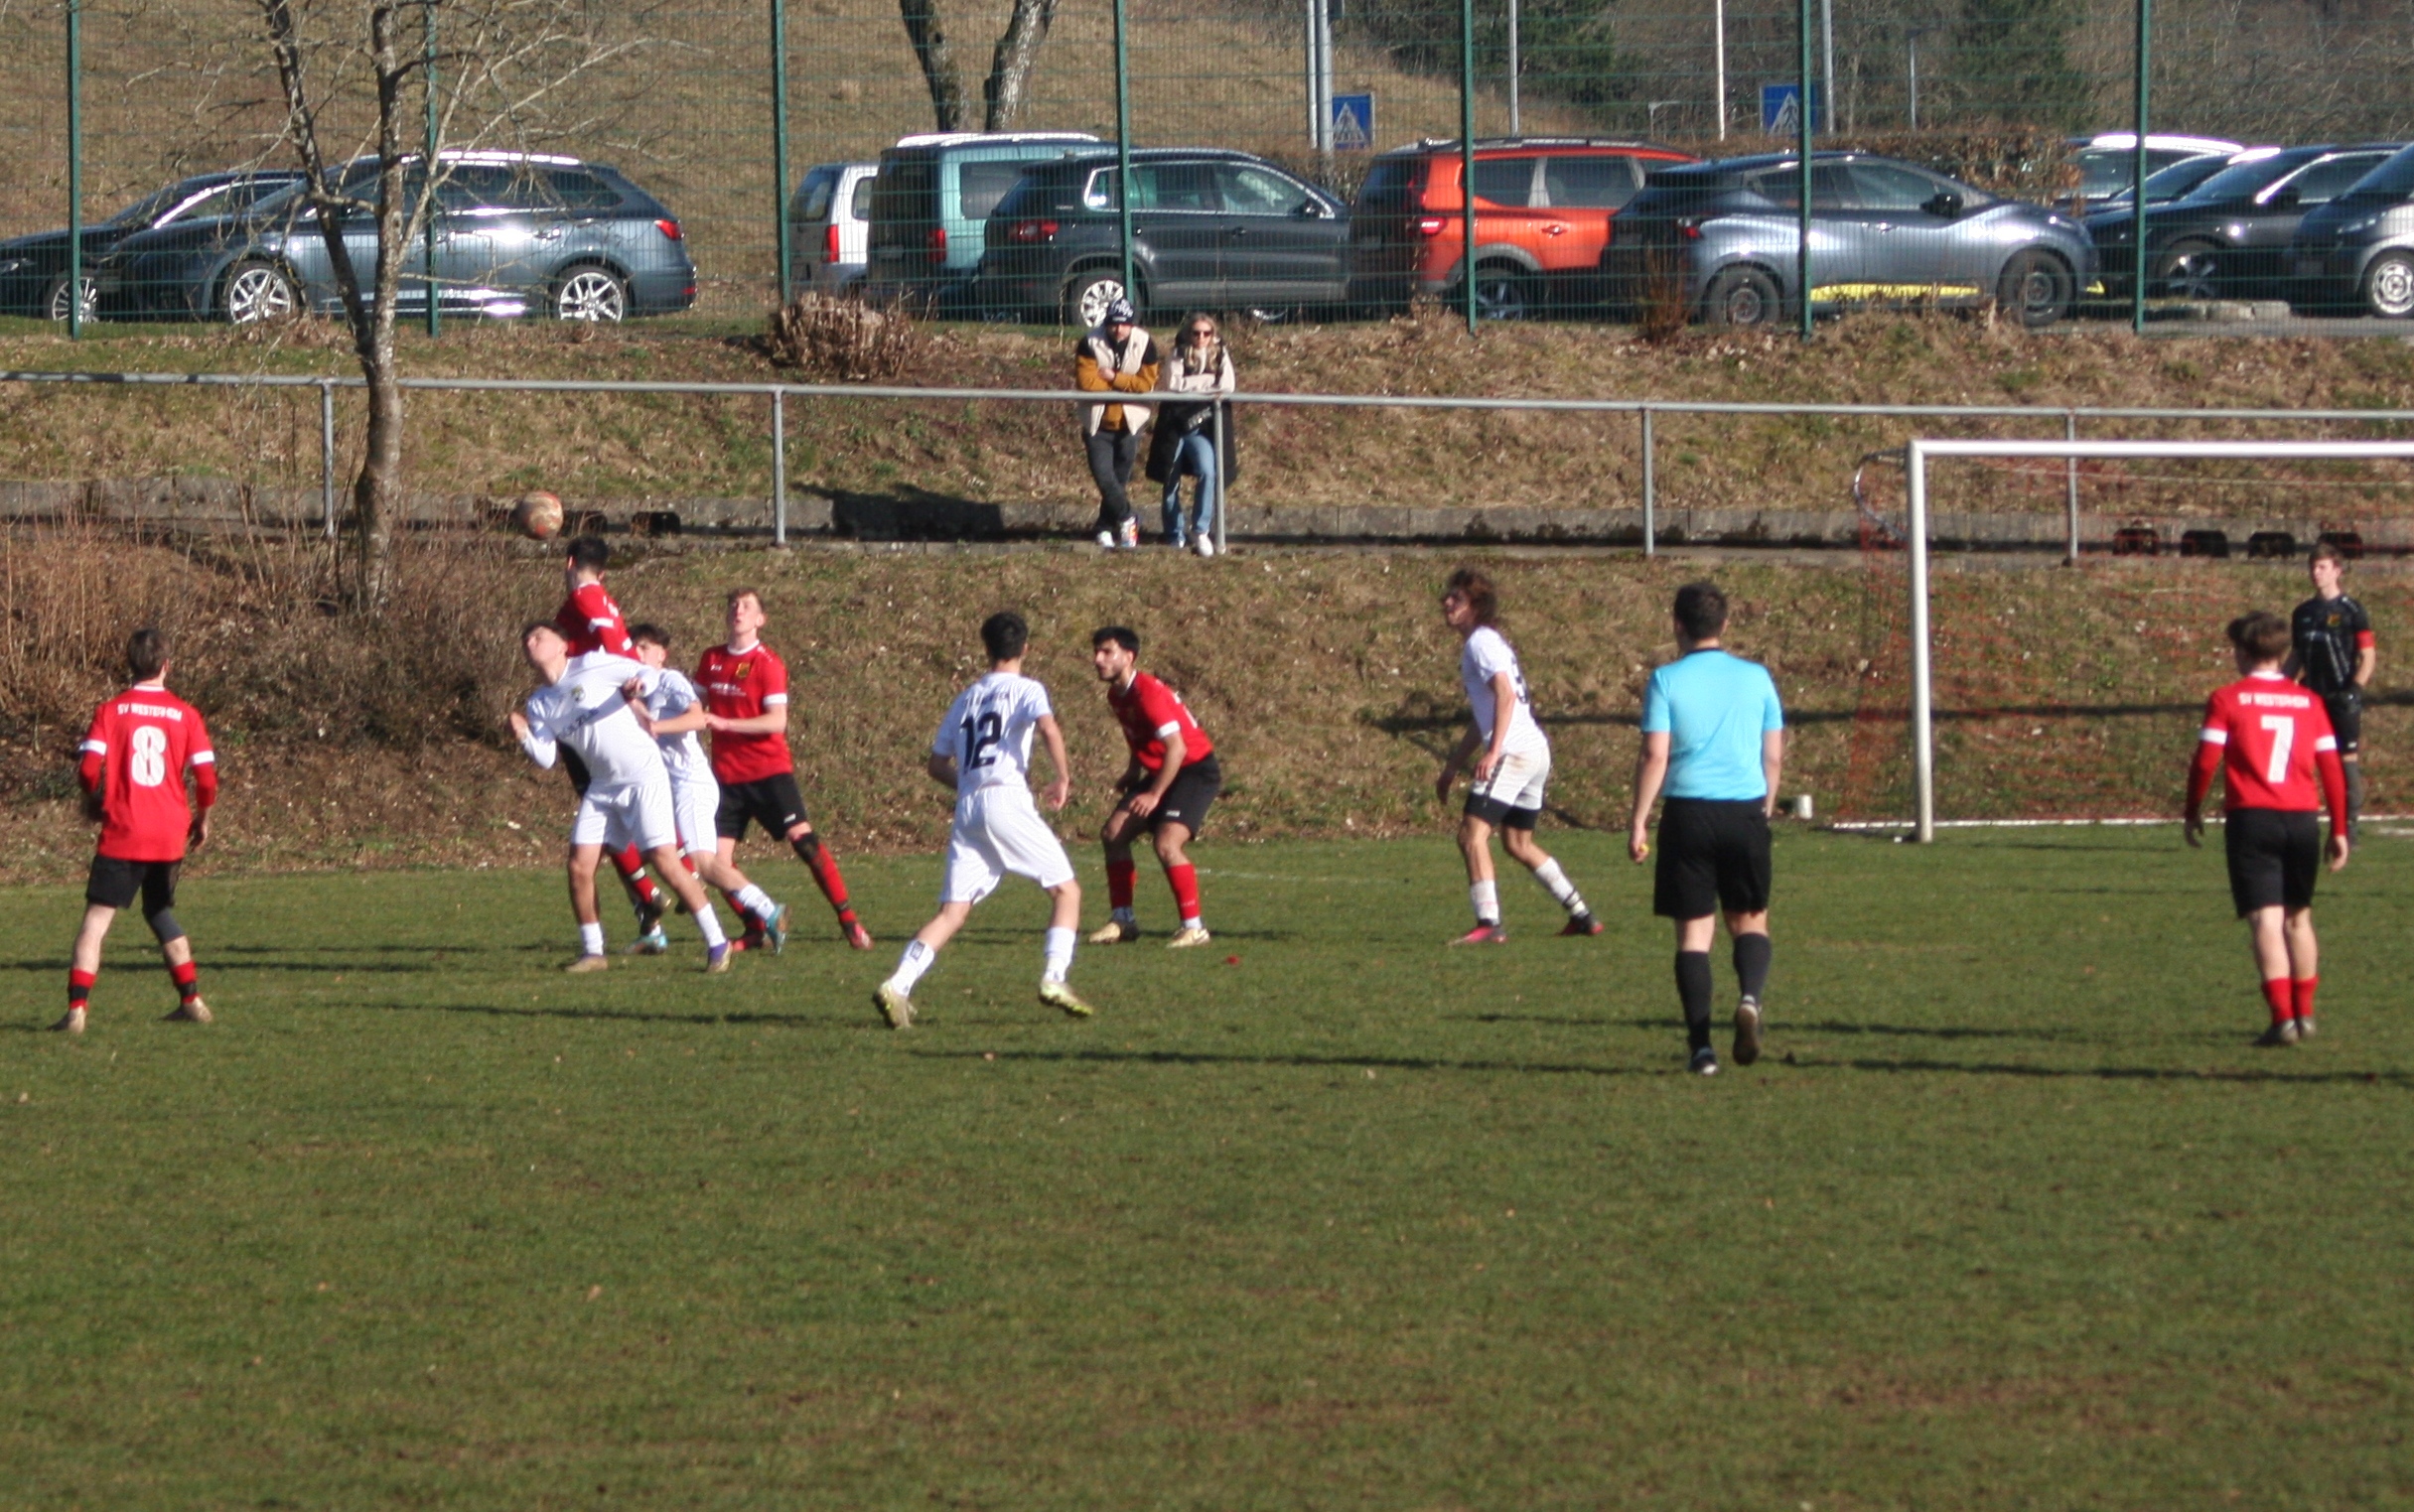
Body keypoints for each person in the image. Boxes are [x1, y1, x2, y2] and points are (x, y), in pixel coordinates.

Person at [874, 612, 1093, 1029]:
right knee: (1066, 891)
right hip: (1005, 798)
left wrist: (968, 785)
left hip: (969, 807)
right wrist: (1062, 777)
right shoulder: (1028, 689)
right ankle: (1054, 977)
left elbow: (936, 764)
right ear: (1025, 648)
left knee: (952, 912)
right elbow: (1048, 729)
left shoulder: (966, 698)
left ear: (986, 648)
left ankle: (898, 984)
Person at [1627, 582, 1784, 1077]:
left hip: (1688, 815)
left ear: (1677, 624)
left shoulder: (1665, 679)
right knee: (1750, 920)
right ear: (1725, 625)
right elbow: (1773, 755)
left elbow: (1655, 754)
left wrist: (1638, 819)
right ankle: (1750, 999)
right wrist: (1765, 807)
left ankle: (1702, 1051)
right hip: (1744, 811)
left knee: (1694, 935)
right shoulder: (1757, 677)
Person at [510, 622, 730, 973]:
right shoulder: (540, 702)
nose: (530, 642)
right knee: (579, 867)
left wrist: (640, 684)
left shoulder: (592, 665)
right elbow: (547, 758)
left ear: (563, 644)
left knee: (664, 860)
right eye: (527, 640)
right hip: (602, 787)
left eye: (539, 636)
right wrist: (524, 735)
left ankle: (717, 941)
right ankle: (593, 953)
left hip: (643, 775)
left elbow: (647, 673)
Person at [2187, 610, 2350, 1047]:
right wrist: (2338, 828)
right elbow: (2331, 767)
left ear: (2242, 653)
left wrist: (2192, 808)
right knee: (2299, 917)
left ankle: (2282, 1020)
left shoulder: (2228, 698)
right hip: (2302, 819)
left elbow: (2206, 760)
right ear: (2282, 653)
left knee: (2266, 919)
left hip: (2252, 818)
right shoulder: (2309, 701)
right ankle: (2306, 1014)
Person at [56, 628, 218, 1033]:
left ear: (129, 664)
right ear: (167, 666)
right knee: (159, 911)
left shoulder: (110, 711)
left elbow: (88, 769)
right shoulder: (186, 714)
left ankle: (77, 1011)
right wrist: (202, 817)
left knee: (97, 920)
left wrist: (93, 797)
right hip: (169, 832)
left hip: (124, 829)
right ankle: (192, 1001)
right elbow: (206, 778)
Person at [695, 589, 871, 950]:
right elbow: (692, 705)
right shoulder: (711, 658)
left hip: (768, 772)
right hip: (726, 778)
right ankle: (756, 928)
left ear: (760, 620)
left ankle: (848, 920)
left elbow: (777, 721)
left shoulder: (767, 663)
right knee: (713, 862)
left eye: (747, 606)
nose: (738, 611)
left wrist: (726, 724)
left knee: (803, 841)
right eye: (733, 606)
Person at [1433, 567, 1601, 944]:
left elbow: (1505, 695)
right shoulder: (1487, 642)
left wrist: (1494, 752)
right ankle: (1582, 915)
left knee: (1471, 835)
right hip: (1534, 750)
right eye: (1448, 595)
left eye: (1457, 597)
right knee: (1518, 843)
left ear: (1476, 606)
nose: (1447, 602)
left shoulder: (1481, 642)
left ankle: (1488, 923)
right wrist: (1452, 766)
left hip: (1514, 752)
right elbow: (1485, 715)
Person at [626, 622, 790, 953]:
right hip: (661, 788)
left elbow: (698, 718)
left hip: (691, 784)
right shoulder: (629, 690)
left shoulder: (670, 680)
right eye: (633, 647)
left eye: (645, 647)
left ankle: (769, 910)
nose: (638, 653)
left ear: (661, 654)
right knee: (631, 855)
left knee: (705, 863)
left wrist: (655, 726)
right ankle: (652, 929)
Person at [551, 533, 669, 937]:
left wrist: (630, 695)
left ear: (569, 563)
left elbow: (615, 650)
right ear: (603, 571)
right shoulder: (600, 600)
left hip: (588, 717)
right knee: (609, 819)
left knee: (604, 816)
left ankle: (650, 893)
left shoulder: (585, 598)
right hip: (593, 711)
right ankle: (650, 921)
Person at [1087, 625, 1221, 948]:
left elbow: (1177, 748)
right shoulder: (1117, 694)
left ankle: (1194, 927)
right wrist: (1133, 771)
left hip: (1194, 770)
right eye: (1097, 652)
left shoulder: (1148, 693)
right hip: (1165, 769)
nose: (1098, 659)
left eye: (1107, 652)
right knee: (1113, 834)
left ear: (1128, 656)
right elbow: (1140, 736)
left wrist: (1154, 794)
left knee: (1166, 844)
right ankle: (1123, 920)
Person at [2285, 541, 2375, 840]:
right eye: (2313, 567)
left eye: (2322, 567)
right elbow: (2296, 656)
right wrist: (2281, 686)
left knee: (2346, 759)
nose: (2316, 573)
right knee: (2301, 759)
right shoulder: (2303, 612)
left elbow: (2368, 656)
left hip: (2341, 697)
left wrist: (2355, 690)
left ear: (2337, 571)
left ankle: (2349, 825)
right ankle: (2298, 818)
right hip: (2310, 699)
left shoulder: (2352, 610)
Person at [1143, 313, 1235, 557]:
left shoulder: (1221, 353)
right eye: (1196, 333)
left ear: (1213, 334)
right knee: (1170, 479)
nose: (1201, 338)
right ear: (1188, 334)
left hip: (1200, 428)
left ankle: (1200, 529)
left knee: (1208, 471)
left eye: (1206, 333)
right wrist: (1207, 383)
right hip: (1174, 426)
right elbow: (1173, 385)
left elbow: (1227, 386)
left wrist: (1192, 384)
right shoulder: (1178, 353)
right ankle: (1174, 533)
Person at [1074, 297, 1160, 552]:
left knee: (1118, 482)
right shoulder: (1089, 342)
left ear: (1132, 323)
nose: (1119, 329)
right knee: (1104, 477)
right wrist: (1127, 384)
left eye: (1124, 324)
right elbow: (1087, 383)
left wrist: (1115, 378)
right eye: (1113, 324)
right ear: (1106, 323)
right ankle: (1128, 517)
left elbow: (1146, 384)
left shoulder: (1145, 343)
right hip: (1097, 423)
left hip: (1130, 423)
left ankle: (1103, 527)